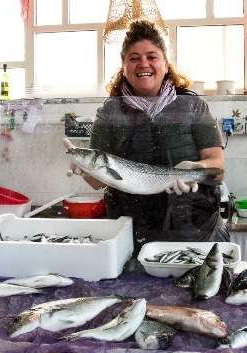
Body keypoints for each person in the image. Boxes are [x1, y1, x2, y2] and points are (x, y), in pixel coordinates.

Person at [70, 20, 228, 249]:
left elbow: (218, 168)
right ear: (123, 66)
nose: (143, 63)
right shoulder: (109, 111)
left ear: (165, 64)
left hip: (194, 227)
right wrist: (82, 167)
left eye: (152, 57)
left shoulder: (193, 105)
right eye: (134, 58)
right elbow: (96, 182)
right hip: (131, 230)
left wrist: (196, 170)